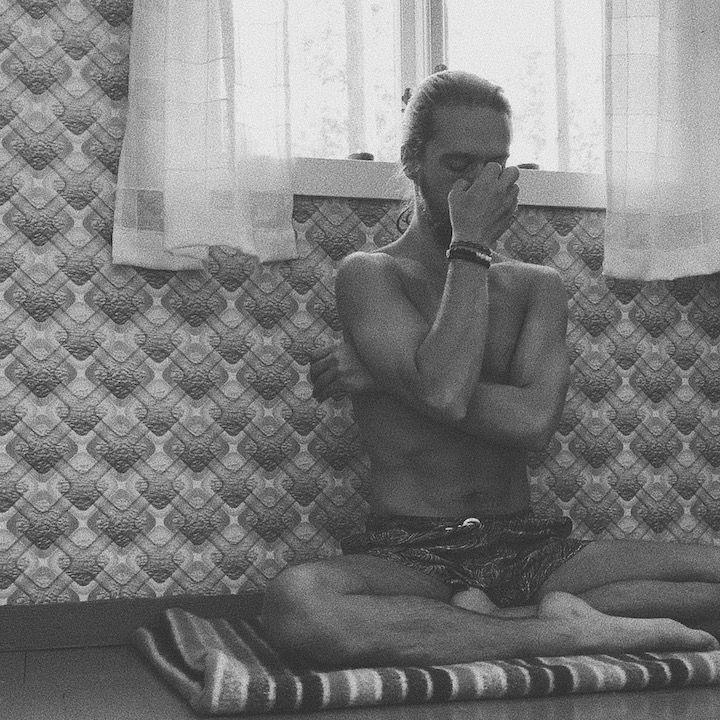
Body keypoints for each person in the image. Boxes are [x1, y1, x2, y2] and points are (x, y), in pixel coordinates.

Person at [261, 70, 720, 669]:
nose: (477, 185)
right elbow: (444, 394)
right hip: (413, 554)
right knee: (298, 604)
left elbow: (532, 424)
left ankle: (495, 622)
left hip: (528, 545)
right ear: (412, 161)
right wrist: (469, 245)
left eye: (495, 166)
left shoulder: (536, 286)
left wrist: (390, 383)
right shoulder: (370, 274)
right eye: (458, 165)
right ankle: (562, 634)